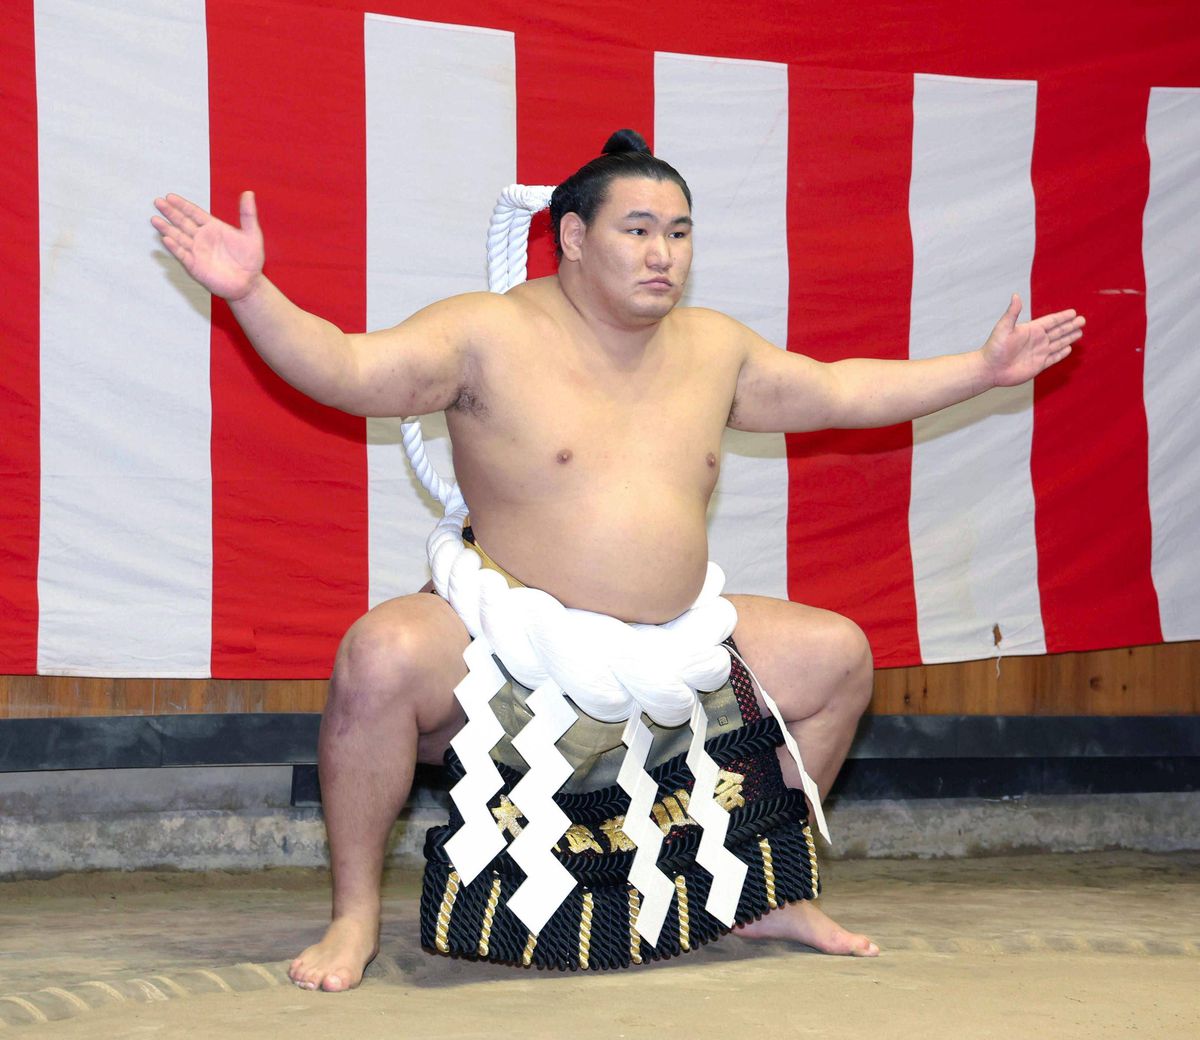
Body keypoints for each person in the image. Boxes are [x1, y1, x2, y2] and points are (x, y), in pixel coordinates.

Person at [152, 129, 1084, 992]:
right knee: (377, 656)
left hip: (675, 647)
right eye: (637, 230)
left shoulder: (713, 346)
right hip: (505, 641)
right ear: (572, 237)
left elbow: (839, 391)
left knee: (837, 655)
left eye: (678, 232)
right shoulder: (487, 332)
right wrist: (252, 295)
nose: (661, 253)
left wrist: (980, 370)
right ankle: (354, 915)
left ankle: (773, 889)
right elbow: (347, 369)